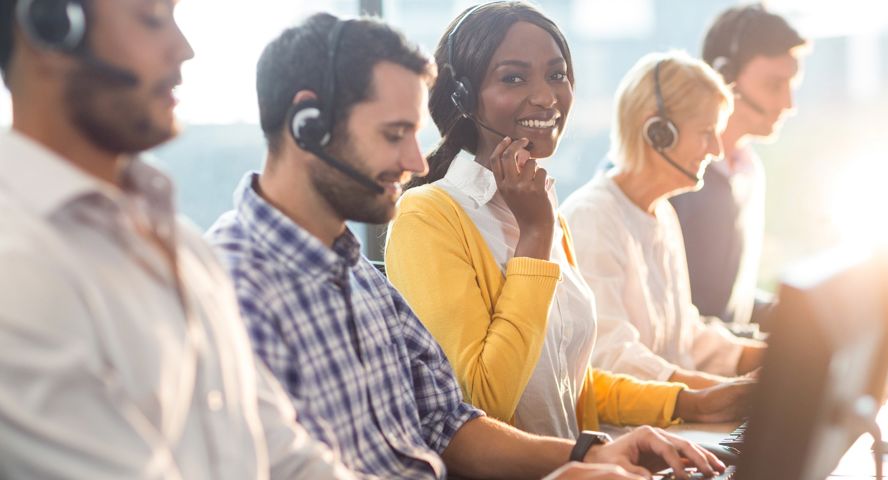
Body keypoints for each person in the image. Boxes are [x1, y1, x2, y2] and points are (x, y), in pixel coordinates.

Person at [206, 11, 725, 480]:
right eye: (394, 135)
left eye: (556, 74)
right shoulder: (229, 290)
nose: (415, 161)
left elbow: (450, 422)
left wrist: (589, 455)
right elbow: (484, 399)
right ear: (308, 125)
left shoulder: (359, 278)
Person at [0, 0, 355, 478]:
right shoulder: (17, 265)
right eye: (151, 19)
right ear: (51, 25)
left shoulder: (184, 246)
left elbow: (283, 453)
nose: (184, 49)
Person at [386, 0, 750, 442]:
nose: (545, 96)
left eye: (556, 75)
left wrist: (687, 402)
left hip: (587, 466)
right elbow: (482, 404)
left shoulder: (542, 206)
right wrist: (535, 238)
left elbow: (566, 379)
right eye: (513, 77)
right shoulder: (429, 216)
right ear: (463, 95)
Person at [561, 52, 766, 391]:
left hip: (678, 418)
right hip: (628, 433)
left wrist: (772, 359)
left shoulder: (661, 213)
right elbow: (611, 357)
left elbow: (685, 337)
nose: (716, 150)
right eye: (706, 133)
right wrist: (716, 392)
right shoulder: (591, 217)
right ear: (658, 131)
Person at [669, 4, 808, 327]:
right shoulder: (672, 176)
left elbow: (725, 301)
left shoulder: (748, 171)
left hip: (728, 360)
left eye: (792, 85)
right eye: (774, 86)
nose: (788, 105)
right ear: (723, 79)